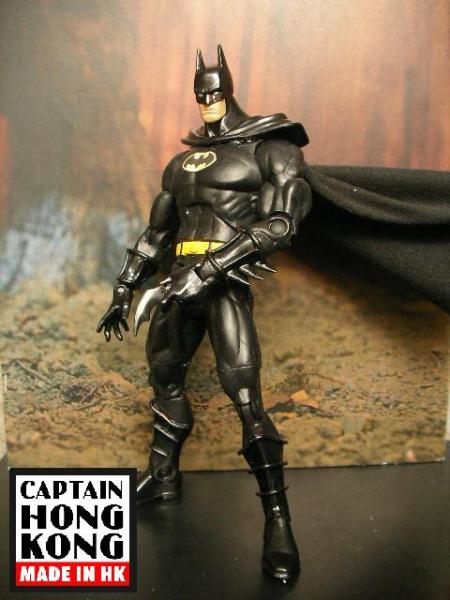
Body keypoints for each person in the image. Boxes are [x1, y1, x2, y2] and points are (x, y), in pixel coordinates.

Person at [97, 45, 312, 581]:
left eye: (214, 91)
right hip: (177, 280)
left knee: (246, 397)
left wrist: (212, 267)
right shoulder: (182, 163)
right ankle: (163, 476)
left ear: (229, 89)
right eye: (201, 94)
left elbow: (281, 224)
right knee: (165, 376)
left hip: (223, 283)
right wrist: (124, 288)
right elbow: (157, 233)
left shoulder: (270, 147)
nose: (208, 101)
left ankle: (278, 522)